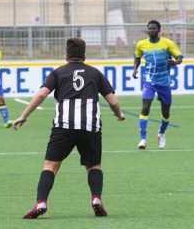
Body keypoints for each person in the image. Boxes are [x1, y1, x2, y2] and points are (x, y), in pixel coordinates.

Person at [13, 38, 125, 219]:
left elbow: (42, 93)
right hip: (90, 124)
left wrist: (24, 115)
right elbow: (113, 101)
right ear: (85, 56)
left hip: (64, 124)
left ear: (66, 56)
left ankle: (41, 202)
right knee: (93, 165)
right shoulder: (95, 73)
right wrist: (119, 114)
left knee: (51, 165)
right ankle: (96, 198)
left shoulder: (58, 73)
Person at [132, 20, 183, 150]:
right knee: (145, 107)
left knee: (165, 112)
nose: (152, 31)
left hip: (164, 82)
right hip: (149, 81)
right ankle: (143, 139)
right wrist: (135, 69)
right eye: (149, 29)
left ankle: (161, 132)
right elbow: (137, 57)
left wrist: (175, 62)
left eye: (154, 29)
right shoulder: (141, 44)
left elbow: (179, 57)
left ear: (159, 30)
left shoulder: (167, 43)